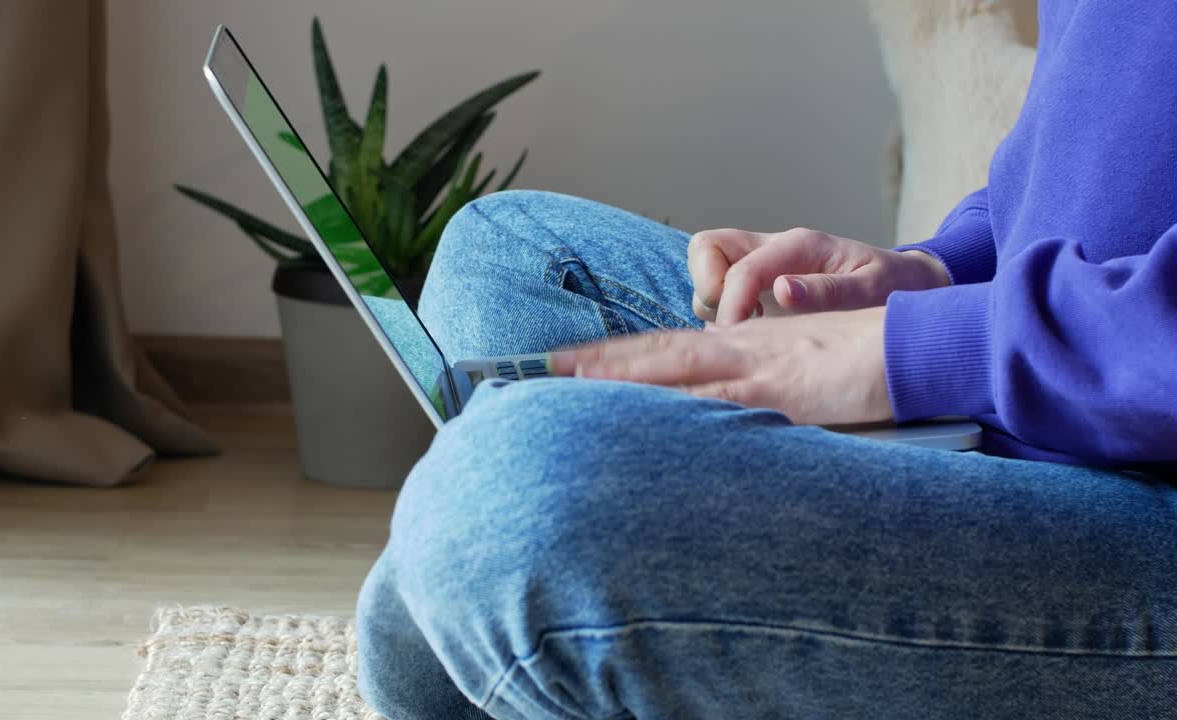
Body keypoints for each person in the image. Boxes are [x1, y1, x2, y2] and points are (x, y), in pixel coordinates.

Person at [356, 1, 1177, 717]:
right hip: (1045, 391)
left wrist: (916, 350)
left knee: (503, 496)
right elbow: (1075, 147)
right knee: (508, 253)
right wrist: (936, 271)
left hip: (1143, 495)